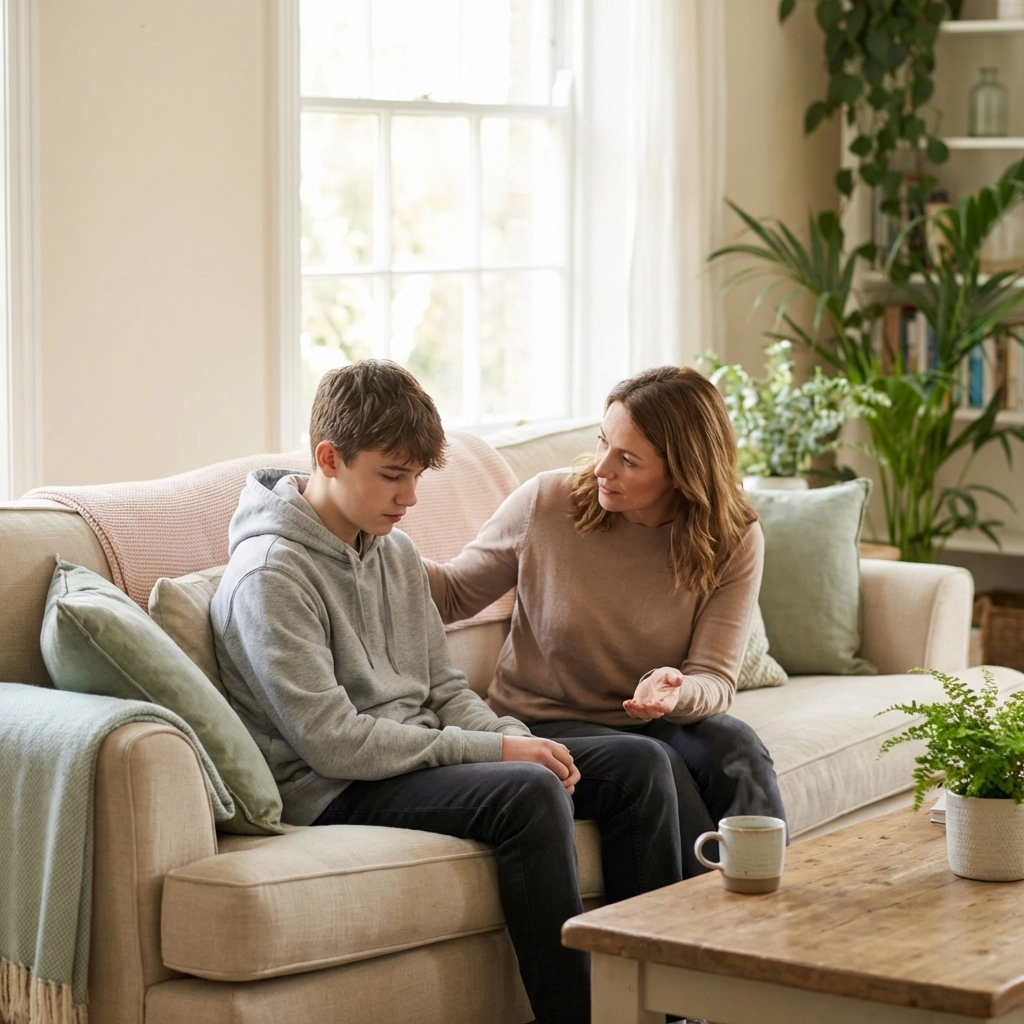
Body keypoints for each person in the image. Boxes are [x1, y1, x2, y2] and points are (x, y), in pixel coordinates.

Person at [210, 360, 683, 1024]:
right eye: (392, 475)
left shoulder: (393, 550)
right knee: (526, 791)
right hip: (333, 786)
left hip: (414, 755)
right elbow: (334, 743)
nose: (409, 498)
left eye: (417, 477)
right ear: (329, 458)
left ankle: (662, 1005)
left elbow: (444, 685)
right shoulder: (270, 575)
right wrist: (492, 751)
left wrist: (511, 737)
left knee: (639, 765)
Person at [425, 365, 787, 877]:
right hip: (544, 717)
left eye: (628, 460)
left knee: (738, 748)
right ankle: (684, 933)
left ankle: (763, 911)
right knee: (655, 765)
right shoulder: (549, 502)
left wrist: (675, 690)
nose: (602, 468)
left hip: (651, 722)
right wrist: (369, 534)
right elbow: (455, 594)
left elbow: (717, 678)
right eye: (602, 443)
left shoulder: (734, 537)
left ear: (683, 472)